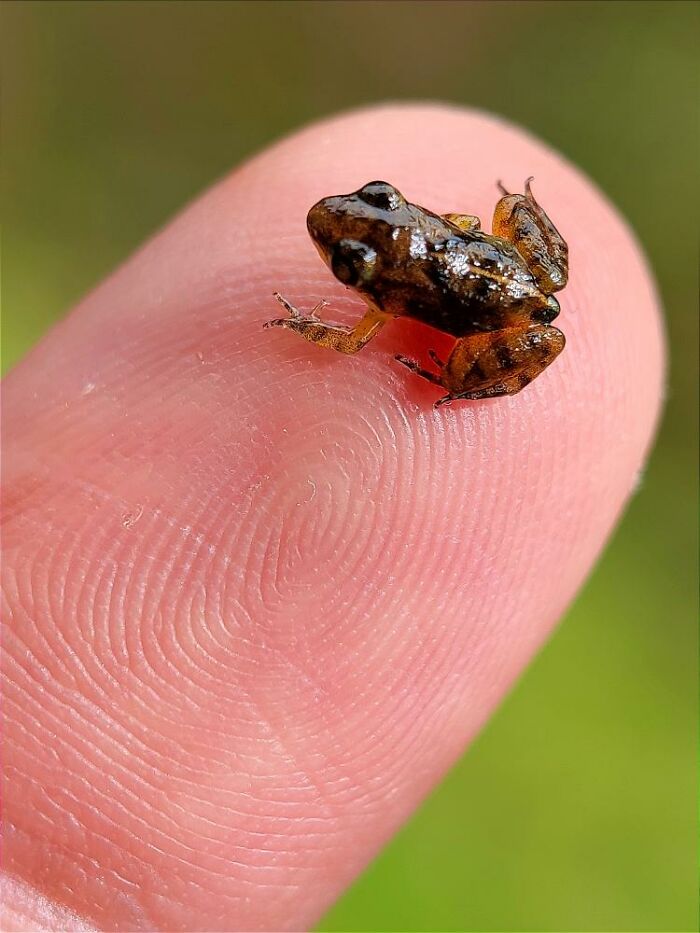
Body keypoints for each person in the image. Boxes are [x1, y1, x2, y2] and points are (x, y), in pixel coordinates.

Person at [2, 105, 663, 932]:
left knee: (449, 369)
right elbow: (462, 229)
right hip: (510, 271)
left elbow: (352, 345)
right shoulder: (444, 231)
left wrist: (323, 327)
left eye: (351, 257)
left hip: (502, 310)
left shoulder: (384, 304)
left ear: (375, 286)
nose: (348, 232)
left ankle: (463, 376)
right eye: (376, 203)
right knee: (499, 241)